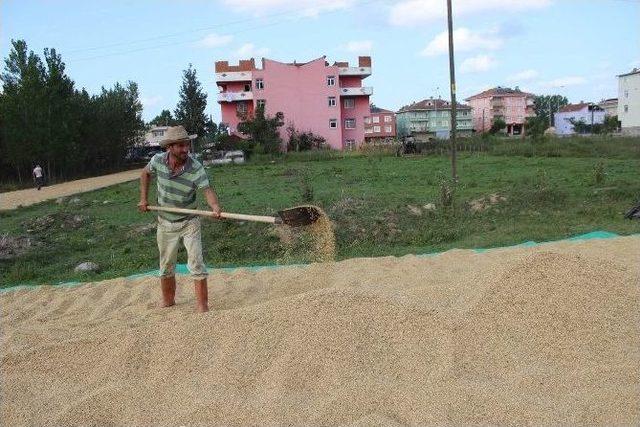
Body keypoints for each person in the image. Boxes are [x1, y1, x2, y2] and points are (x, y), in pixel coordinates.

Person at [138, 125, 221, 313]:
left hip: (189, 221)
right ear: (170, 147)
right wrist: (143, 199)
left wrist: (215, 207)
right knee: (166, 265)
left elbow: (206, 190)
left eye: (187, 145)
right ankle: (168, 301)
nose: (186, 149)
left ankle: (202, 306)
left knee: (197, 263)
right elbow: (145, 173)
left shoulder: (195, 167)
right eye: (181, 146)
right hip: (165, 222)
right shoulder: (157, 161)